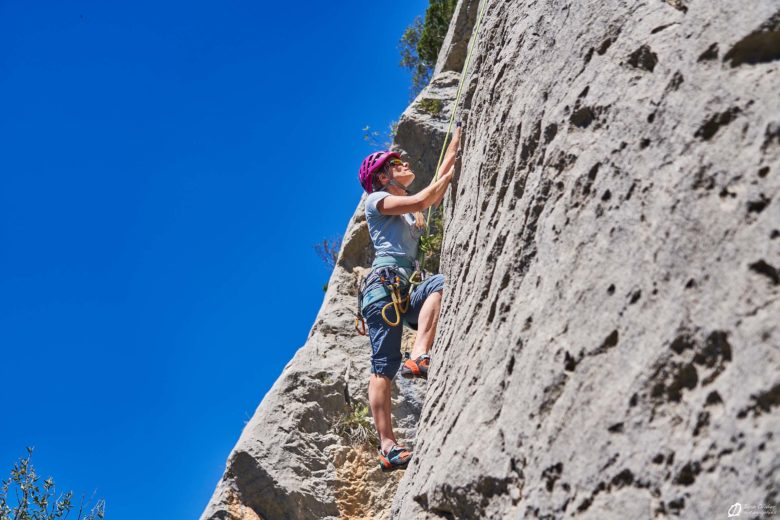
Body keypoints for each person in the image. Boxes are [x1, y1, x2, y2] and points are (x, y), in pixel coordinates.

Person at [357, 127, 461, 470]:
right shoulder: (377, 201)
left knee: (440, 285)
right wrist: (433, 187)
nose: (404, 165)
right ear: (383, 177)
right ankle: (387, 444)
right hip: (382, 290)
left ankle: (418, 354)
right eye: (396, 164)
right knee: (383, 366)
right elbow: (425, 198)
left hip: (402, 288)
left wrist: (457, 141)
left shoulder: (405, 213)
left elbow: (428, 192)